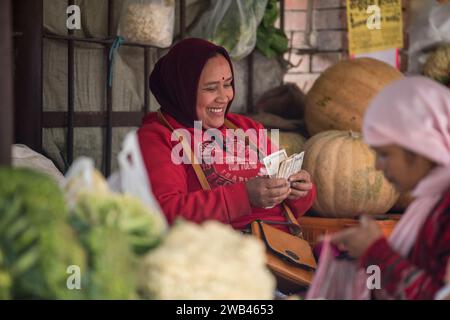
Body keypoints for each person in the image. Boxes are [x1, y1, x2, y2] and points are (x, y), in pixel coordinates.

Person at [137, 38, 316, 230]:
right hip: (223, 254)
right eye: (211, 88)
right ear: (182, 90)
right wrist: (243, 197)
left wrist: (300, 192)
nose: (224, 97)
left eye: (228, 84)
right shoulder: (157, 138)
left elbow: (292, 209)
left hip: (281, 248)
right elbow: (164, 212)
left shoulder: (246, 128)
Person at [330, 76, 450, 299]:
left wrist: (375, 251)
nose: (377, 165)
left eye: (385, 154)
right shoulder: (431, 200)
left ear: (421, 148)